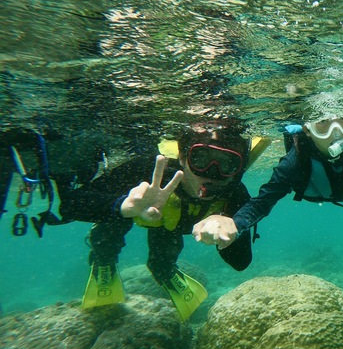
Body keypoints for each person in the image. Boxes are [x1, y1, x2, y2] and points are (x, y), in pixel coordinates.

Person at [59, 121, 270, 320]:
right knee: (113, 222)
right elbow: (69, 205)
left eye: (228, 163)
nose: (213, 172)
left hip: (171, 226)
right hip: (132, 215)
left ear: (238, 170)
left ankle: (164, 270)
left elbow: (241, 262)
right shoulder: (147, 171)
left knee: (162, 262)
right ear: (182, 157)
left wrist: (228, 224)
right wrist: (123, 206)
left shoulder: (234, 194)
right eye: (201, 158)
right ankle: (103, 259)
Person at [191, 109, 343, 258]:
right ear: (308, 129)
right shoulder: (295, 161)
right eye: (323, 123)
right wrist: (236, 223)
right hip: (324, 191)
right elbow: (263, 201)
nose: (337, 133)